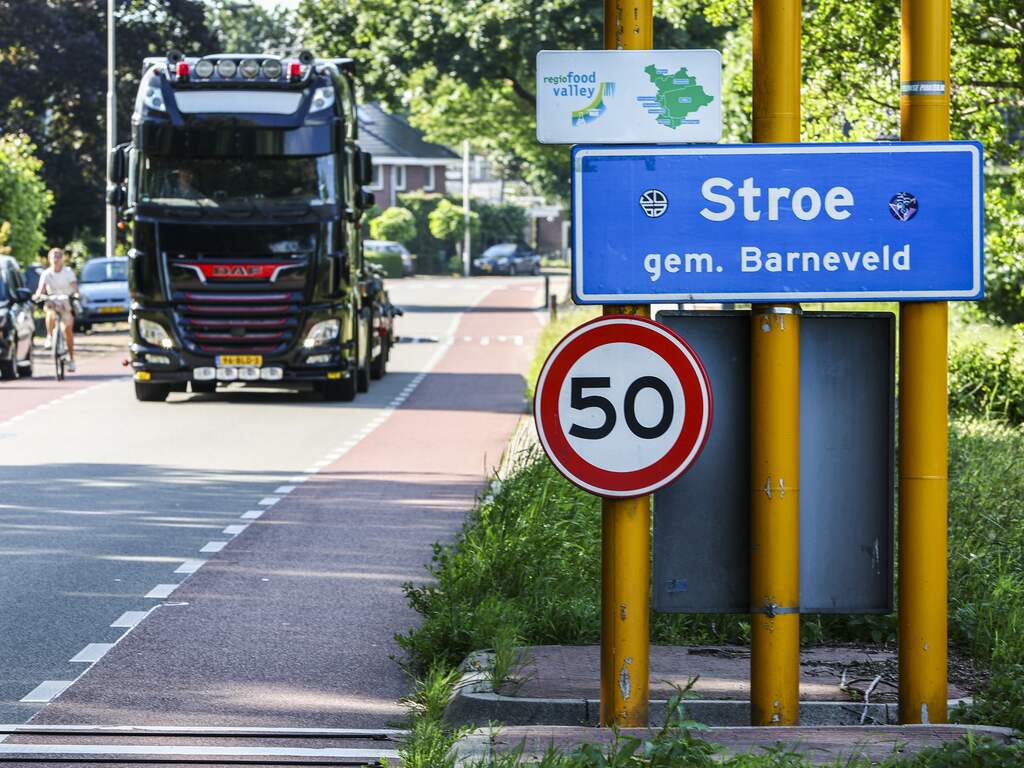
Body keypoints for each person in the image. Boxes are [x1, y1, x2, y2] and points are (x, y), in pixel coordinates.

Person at [33, 247, 78, 372]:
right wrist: (38, 296)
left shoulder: (68, 272)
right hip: (52, 300)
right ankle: (49, 335)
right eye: (54, 257)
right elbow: (40, 289)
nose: (56, 259)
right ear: (49, 259)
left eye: (58, 257)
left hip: (65, 302)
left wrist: (76, 294)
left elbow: (74, 286)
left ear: (62, 259)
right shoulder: (46, 273)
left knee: (67, 330)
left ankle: (71, 359)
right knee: (50, 311)